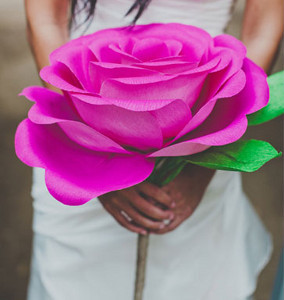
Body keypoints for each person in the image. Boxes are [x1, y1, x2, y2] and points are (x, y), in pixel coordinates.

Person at [24, 0, 283, 299]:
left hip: (200, 118)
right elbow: (44, 19)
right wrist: (90, 159)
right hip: (82, 112)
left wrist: (204, 162)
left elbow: (264, 29)